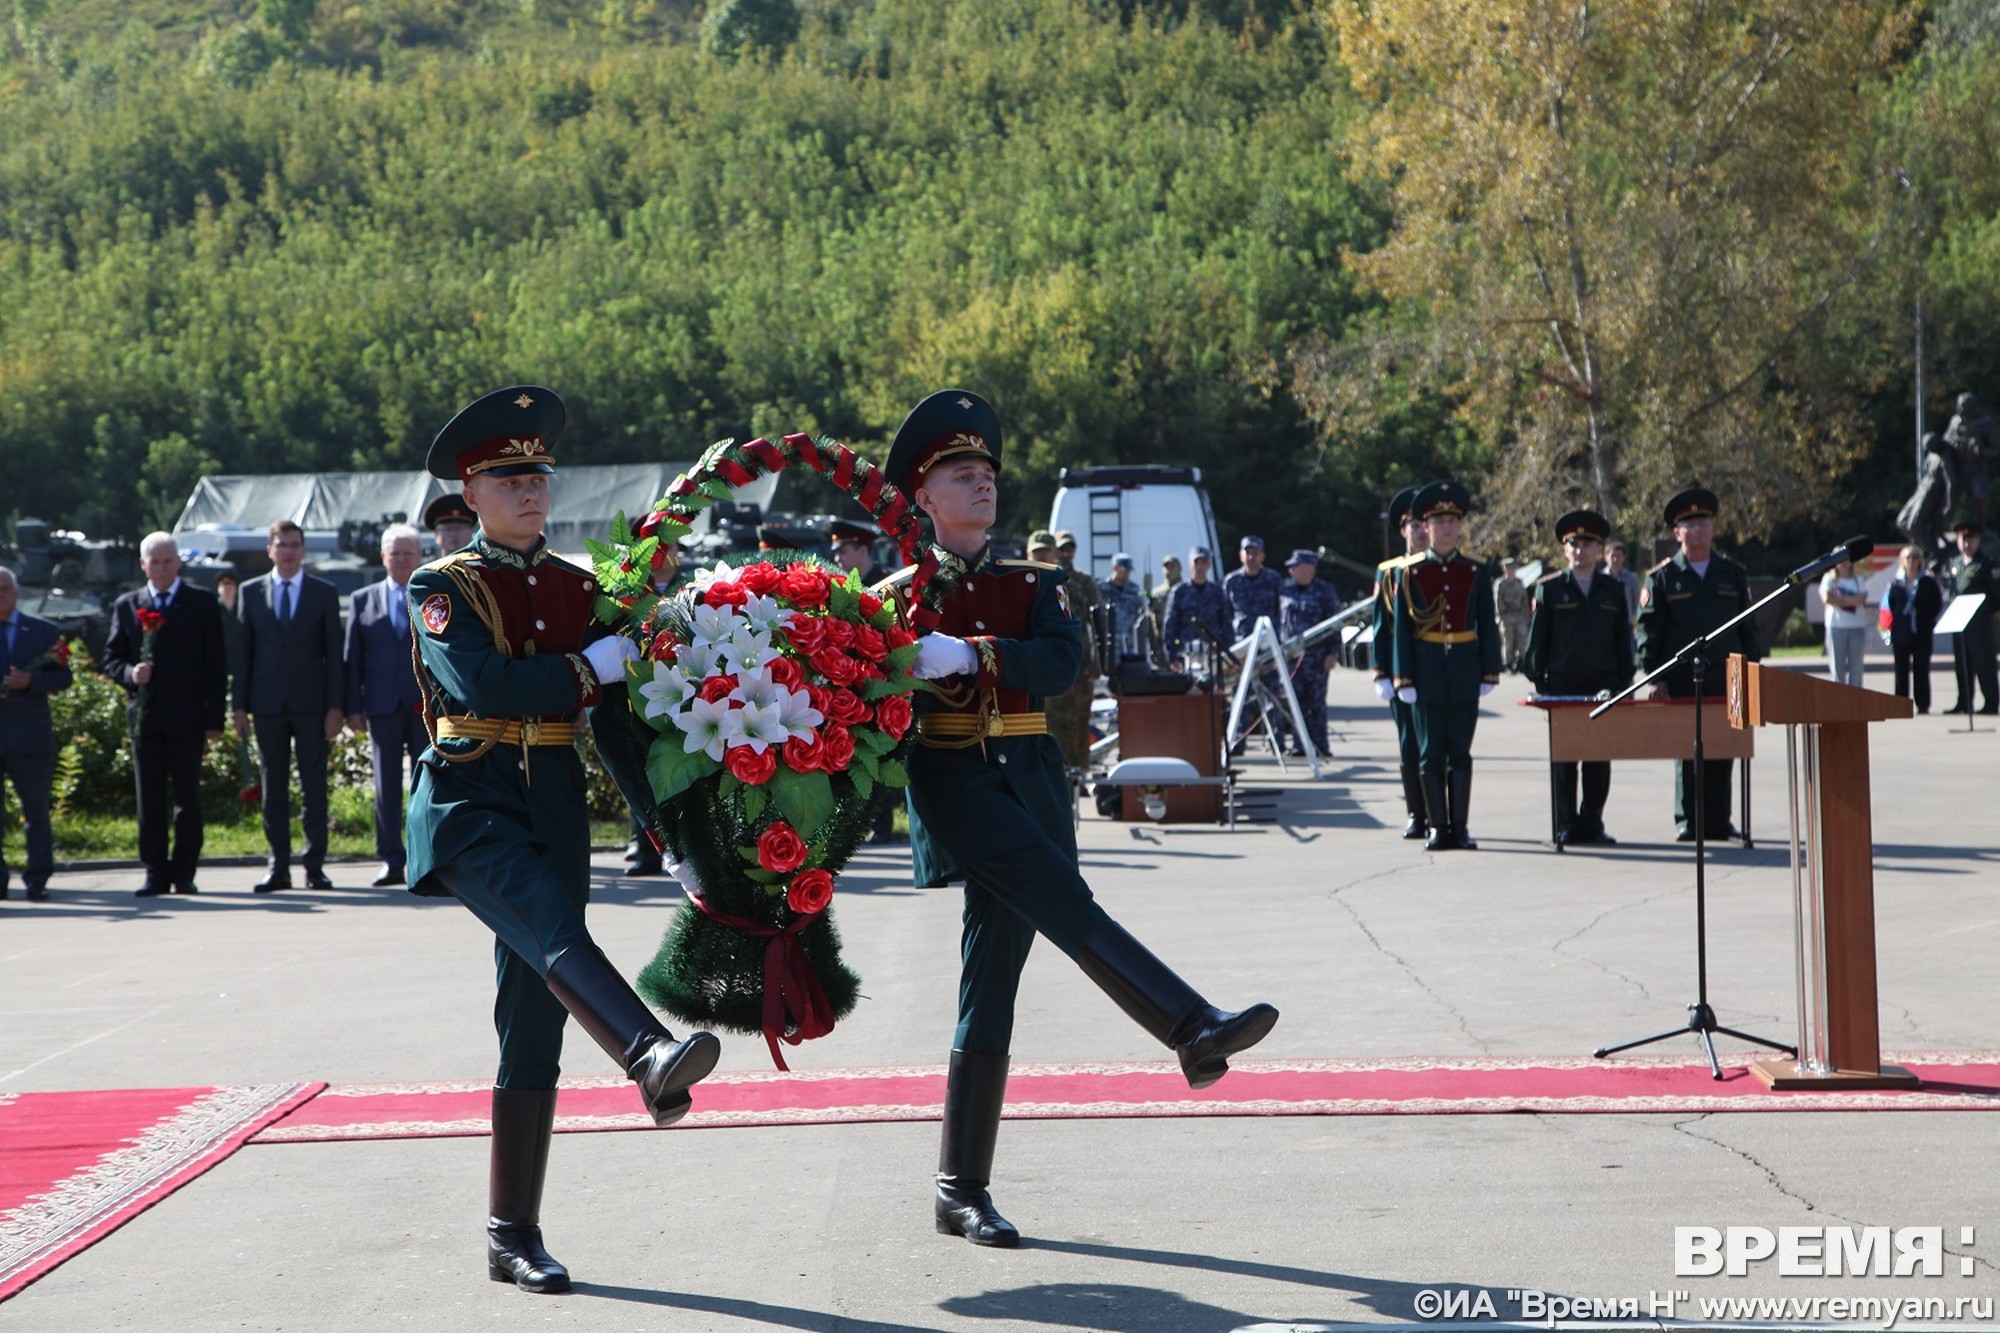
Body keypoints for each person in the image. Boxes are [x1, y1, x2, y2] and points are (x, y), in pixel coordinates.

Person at [880, 388, 1278, 1249]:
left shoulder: (1036, 583)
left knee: (991, 981)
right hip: (952, 780)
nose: (982, 484)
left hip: (1028, 779)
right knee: (1069, 912)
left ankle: (959, 1188)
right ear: (924, 496)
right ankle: (1188, 1024)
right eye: (961, 472)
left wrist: (977, 654)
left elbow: (1063, 662)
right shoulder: (891, 596)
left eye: (986, 471)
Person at [404, 385, 719, 1294]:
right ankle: (649, 1052)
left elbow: (619, 730)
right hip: (472, 804)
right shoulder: (443, 587)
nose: (531, 489)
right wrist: (585, 667)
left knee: (535, 1014)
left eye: (538, 473)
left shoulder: (579, 589)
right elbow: (488, 687)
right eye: (510, 476)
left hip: (554, 810)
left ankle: (512, 1233)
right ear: (472, 489)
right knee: (555, 935)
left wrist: (667, 834)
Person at [101, 533, 227, 897]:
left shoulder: (201, 603)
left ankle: (185, 871)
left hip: (188, 718)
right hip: (146, 719)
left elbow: (216, 665)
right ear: (143, 565)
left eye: (167, 561)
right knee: (150, 798)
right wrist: (130, 674)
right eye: (154, 562)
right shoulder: (128, 605)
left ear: (178, 563)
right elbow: (111, 658)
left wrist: (213, 720)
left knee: (188, 798)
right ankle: (155, 872)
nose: (161, 568)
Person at [1635, 486, 1762, 842]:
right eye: (1689, 524)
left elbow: (1747, 627)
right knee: (1688, 749)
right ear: (1677, 533)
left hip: (1726, 677)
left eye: (1703, 522)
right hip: (1681, 678)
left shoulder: (1732, 574)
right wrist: (1653, 677)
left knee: (1724, 748)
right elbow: (1648, 631)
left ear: (1712, 528)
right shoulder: (1661, 578)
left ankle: (1719, 820)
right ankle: (1688, 820)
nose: (1697, 529)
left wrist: (1752, 672)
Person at [1388, 481, 1500, 850]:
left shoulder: (1475, 571)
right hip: (1427, 669)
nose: (1447, 527)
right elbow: (1402, 630)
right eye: (1439, 521)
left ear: (1460, 525)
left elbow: (1487, 621)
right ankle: (1438, 826)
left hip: (1465, 668)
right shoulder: (1410, 572)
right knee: (1430, 751)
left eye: (1453, 520)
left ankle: (1461, 827)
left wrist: (1489, 669)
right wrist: (1403, 676)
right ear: (1427, 526)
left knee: (1460, 751)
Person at [234, 520, 345, 893]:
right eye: (281, 545)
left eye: (295, 544)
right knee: (273, 787)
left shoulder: (323, 592)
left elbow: (335, 656)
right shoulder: (250, 593)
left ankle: (314, 867)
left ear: (304, 549)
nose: (288, 551)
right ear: (270, 550)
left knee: (314, 788)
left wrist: (336, 707)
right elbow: (243, 655)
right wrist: (238, 707)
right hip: (266, 705)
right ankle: (277, 866)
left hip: (312, 705)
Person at [1522, 510, 1633, 846]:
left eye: (1588, 543)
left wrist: (1624, 684)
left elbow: (1622, 640)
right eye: (1574, 543)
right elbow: (1537, 643)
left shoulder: (1613, 590)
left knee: (1598, 759)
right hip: (1563, 685)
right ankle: (1566, 824)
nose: (1580, 549)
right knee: (1565, 760)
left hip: (1602, 683)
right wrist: (1541, 683)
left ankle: (1592, 822)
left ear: (1599, 549)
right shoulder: (1550, 590)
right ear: (1564, 549)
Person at [344, 523, 427, 887]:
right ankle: (391, 859)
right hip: (380, 706)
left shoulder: (434, 597)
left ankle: (427, 858)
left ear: (421, 556)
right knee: (386, 786)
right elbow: (353, 659)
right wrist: (352, 707)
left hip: (426, 707)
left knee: (427, 784)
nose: (403, 559)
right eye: (396, 552)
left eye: (409, 552)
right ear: (383, 557)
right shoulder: (363, 599)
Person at [0, 566, 73, 901]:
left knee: (37, 812)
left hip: (30, 738)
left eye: (4, 589)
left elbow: (63, 679)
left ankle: (38, 879)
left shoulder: (42, 631)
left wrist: (31, 682)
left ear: (16, 593)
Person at [1371, 485, 1429, 839]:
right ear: (1403, 530)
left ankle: (1442, 814)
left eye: (1425, 524)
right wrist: (1381, 671)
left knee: (1437, 745)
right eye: (1414, 525)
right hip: (1400, 671)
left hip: (1436, 666)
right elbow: (1382, 626)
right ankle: (1416, 813)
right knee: (1409, 742)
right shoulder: (1388, 572)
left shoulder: (1443, 568)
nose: (1420, 530)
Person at [1224, 535, 1291, 751]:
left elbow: (1282, 613)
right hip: (1240, 647)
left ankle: (1276, 741)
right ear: (1241, 555)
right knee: (1239, 695)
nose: (1251, 557)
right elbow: (1225, 615)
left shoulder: (1273, 580)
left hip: (1267, 645)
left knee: (1271, 694)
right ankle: (1237, 741)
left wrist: (1280, 642)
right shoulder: (1231, 581)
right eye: (1247, 552)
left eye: (1255, 553)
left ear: (1263, 555)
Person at [1278, 550, 1341, 757]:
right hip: (1291, 658)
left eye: (1296, 567)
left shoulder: (1325, 591)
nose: (1292, 570)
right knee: (1296, 703)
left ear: (1309, 568)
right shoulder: (1285, 591)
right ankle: (1300, 744)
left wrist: (1333, 653)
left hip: (1317, 658)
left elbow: (1334, 624)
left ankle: (1321, 745)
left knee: (1316, 703)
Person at [1051, 530, 1101, 766]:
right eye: (1062, 548)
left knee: (1081, 720)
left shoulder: (1084, 582)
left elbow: (1098, 623)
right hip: (1057, 660)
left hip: (1083, 662)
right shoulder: (1048, 578)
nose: (1066, 553)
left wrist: (1097, 662)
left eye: (1069, 548)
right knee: (1056, 720)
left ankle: (1080, 769)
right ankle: (1059, 769)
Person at [1945, 513, 1998, 714]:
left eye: (1970, 539)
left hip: (1980, 622)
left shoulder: (1987, 563)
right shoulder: (1955, 563)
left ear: (1977, 540)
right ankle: (1964, 701)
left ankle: (1991, 702)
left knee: (1984, 663)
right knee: (1962, 664)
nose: (1966, 543)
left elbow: (1995, 592)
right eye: (1962, 539)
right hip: (1959, 621)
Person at [1883, 543, 1943, 714]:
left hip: (1921, 631)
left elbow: (1936, 604)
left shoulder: (1928, 581)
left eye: (1915, 557)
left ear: (1920, 561)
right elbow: (1890, 605)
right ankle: (1900, 704)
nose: (1911, 561)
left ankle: (1923, 704)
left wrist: (1927, 619)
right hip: (1901, 632)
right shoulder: (1895, 583)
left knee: (1921, 669)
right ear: (1902, 560)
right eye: (1908, 557)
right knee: (1901, 670)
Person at [1161, 544, 1228, 670]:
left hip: (1213, 655)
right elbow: (1170, 625)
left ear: (1209, 565)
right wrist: (1172, 656)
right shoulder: (1179, 592)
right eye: (1197, 563)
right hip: (1186, 655)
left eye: (1203, 563)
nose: (1200, 567)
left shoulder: (1217, 592)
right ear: (1190, 565)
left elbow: (1226, 624)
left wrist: (1228, 650)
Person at [1819, 556, 1870, 689]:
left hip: (1856, 627)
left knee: (1856, 668)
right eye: (1840, 560)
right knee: (1837, 668)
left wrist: (1840, 599)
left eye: (1846, 559)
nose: (1844, 563)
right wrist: (1851, 600)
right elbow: (1827, 598)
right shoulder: (1829, 579)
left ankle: (1856, 702)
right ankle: (1839, 702)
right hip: (1836, 627)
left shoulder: (1858, 580)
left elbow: (1862, 599)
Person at [1096, 553, 1145, 660]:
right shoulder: (1101, 588)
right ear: (1114, 568)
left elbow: (1141, 612)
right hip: (1108, 643)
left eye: (1129, 570)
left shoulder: (1134, 589)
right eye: (1124, 570)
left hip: (1130, 643)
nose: (1127, 573)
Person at [1495, 557, 1531, 673]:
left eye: (1513, 568)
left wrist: (1527, 614)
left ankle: (1521, 661)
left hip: (1519, 615)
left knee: (1523, 638)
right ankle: (1508, 663)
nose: (1511, 570)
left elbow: (1525, 600)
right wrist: (1500, 617)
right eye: (1508, 568)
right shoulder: (1500, 584)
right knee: (1508, 641)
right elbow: (1497, 602)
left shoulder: (1519, 582)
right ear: (1504, 569)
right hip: (1506, 616)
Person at [424, 492, 478, 557]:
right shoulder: (429, 567)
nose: (453, 533)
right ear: (436, 534)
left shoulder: (483, 566)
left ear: (471, 532)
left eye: (458, 528)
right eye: (448, 529)